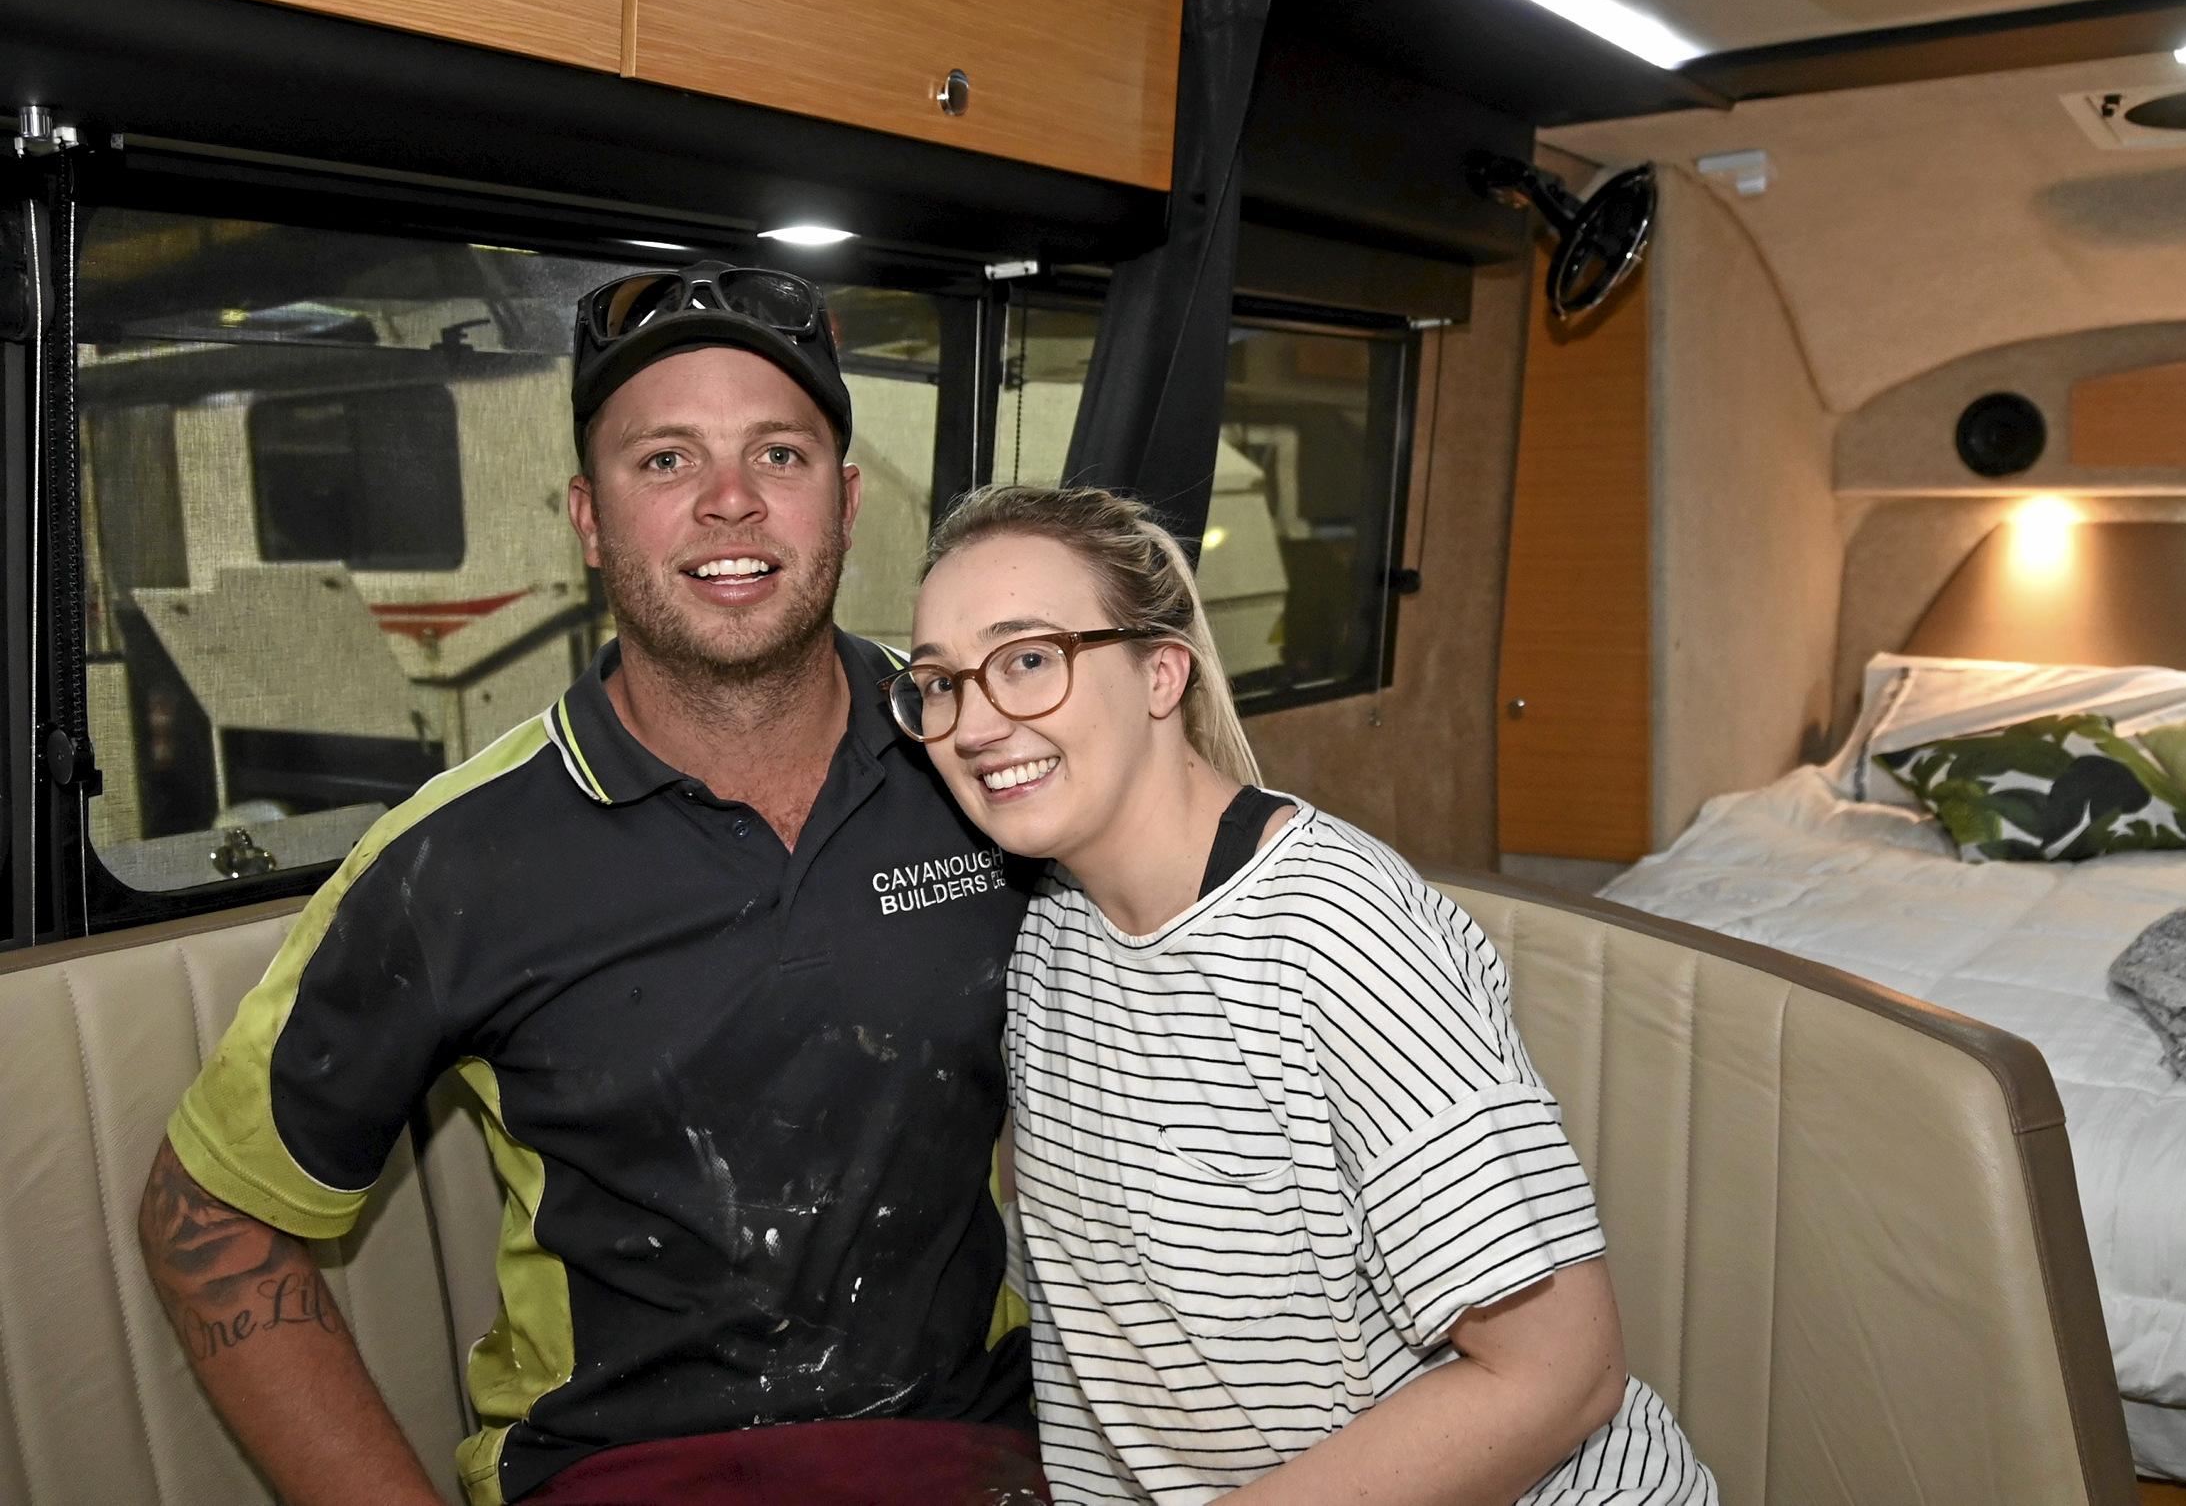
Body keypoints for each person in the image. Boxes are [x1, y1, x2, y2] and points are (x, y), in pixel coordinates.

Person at [135, 263, 1046, 1506]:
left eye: (777, 456)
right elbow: (211, 1219)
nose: (730, 502)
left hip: (972, 1452)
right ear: (588, 520)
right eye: (665, 462)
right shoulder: (452, 861)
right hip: (631, 1473)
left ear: (840, 503)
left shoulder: (987, 763)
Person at [892, 483, 1717, 1506]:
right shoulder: (1047, 935)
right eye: (937, 682)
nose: (973, 723)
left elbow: (1561, 1373)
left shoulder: (1336, 932)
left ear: (1161, 673)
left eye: (1027, 661)